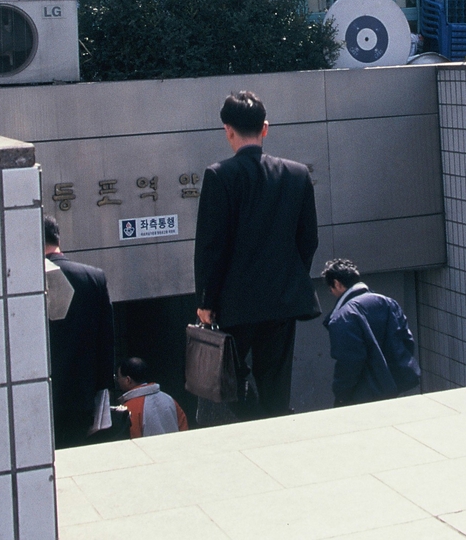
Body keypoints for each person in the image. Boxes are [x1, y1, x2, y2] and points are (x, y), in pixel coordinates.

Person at [193, 91, 320, 417]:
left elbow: (211, 245)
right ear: (265, 128)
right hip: (282, 299)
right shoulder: (297, 174)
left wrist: (206, 300)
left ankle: (254, 422)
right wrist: (291, 276)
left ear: (228, 130)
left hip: (235, 300)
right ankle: (274, 428)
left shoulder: (219, 175)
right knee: (277, 381)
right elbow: (308, 239)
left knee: (230, 379)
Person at [44, 216, 115, 448]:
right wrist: (102, 389)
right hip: (81, 394)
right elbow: (106, 342)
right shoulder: (93, 277)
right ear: (58, 238)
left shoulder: (22, 282)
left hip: (38, 397)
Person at [321, 258, 420, 406]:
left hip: (363, 394)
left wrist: (341, 394)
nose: (332, 293)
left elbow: (349, 362)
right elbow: (407, 341)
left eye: (331, 289)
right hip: (396, 385)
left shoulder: (343, 316)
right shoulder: (388, 302)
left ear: (337, 283)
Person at [115, 357, 189, 438]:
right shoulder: (169, 400)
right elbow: (184, 431)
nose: (117, 380)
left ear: (128, 380)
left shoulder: (129, 409)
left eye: (118, 377)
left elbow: (132, 441)